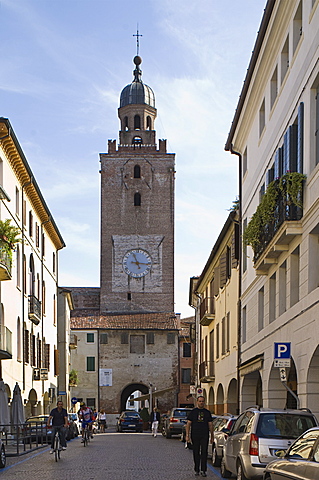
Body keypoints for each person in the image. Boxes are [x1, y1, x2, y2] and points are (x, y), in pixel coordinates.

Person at [185, 396, 214, 477]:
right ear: (197, 402)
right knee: (196, 452)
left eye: (202, 401)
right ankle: (197, 469)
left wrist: (212, 436)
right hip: (195, 434)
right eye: (200, 401)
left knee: (204, 452)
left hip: (204, 435)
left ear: (204, 402)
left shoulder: (207, 412)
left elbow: (210, 425)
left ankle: (203, 470)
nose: (201, 403)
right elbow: (188, 424)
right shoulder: (193, 412)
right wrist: (187, 435)